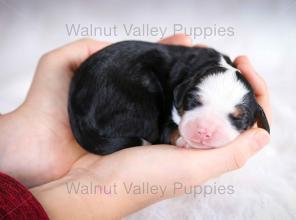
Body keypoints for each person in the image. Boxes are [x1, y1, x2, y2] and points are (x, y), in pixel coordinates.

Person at [0, 34, 271, 219]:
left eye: (235, 118)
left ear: (253, 120)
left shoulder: (203, 73)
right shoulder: (183, 78)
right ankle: (147, 134)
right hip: (112, 98)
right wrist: (170, 134)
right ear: (183, 94)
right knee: (150, 108)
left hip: (102, 104)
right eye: (195, 104)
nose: (205, 129)